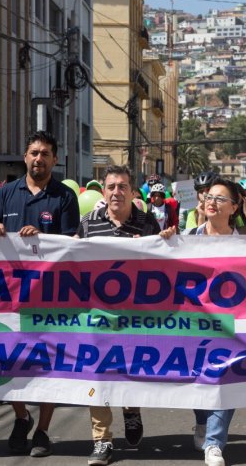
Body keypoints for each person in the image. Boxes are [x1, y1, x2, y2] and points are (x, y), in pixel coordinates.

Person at [0, 130, 80, 457]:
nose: (38, 158)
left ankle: (42, 430)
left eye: (44, 154)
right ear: (25, 157)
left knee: (47, 365)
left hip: (50, 297)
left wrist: (43, 237)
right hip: (9, 295)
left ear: (55, 159)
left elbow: (71, 244)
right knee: (8, 362)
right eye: (33, 153)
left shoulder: (64, 197)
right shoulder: (7, 193)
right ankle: (21, 416)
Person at [76, 165, 176, 465]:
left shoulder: (146, 224)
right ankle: (102, 440)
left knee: (130, 369)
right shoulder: (88, 223)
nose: (117, 192)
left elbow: (162, 268)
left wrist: (165, 242)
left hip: (136, 315)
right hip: (99, 314)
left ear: (133, 192)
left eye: (123, 187)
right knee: (98, 373)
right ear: (103, 192)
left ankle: (132, 412)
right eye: (111, 187)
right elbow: (71, 260)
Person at [187, 177, 246, 466]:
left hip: (233, 325)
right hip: (194, 324)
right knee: (196, 379)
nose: (212, 202)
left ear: (234, 207)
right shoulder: (187, 237)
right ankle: (202, 422)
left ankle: (214, 443)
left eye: (220, 198)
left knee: (225, 379)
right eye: (209, 197)